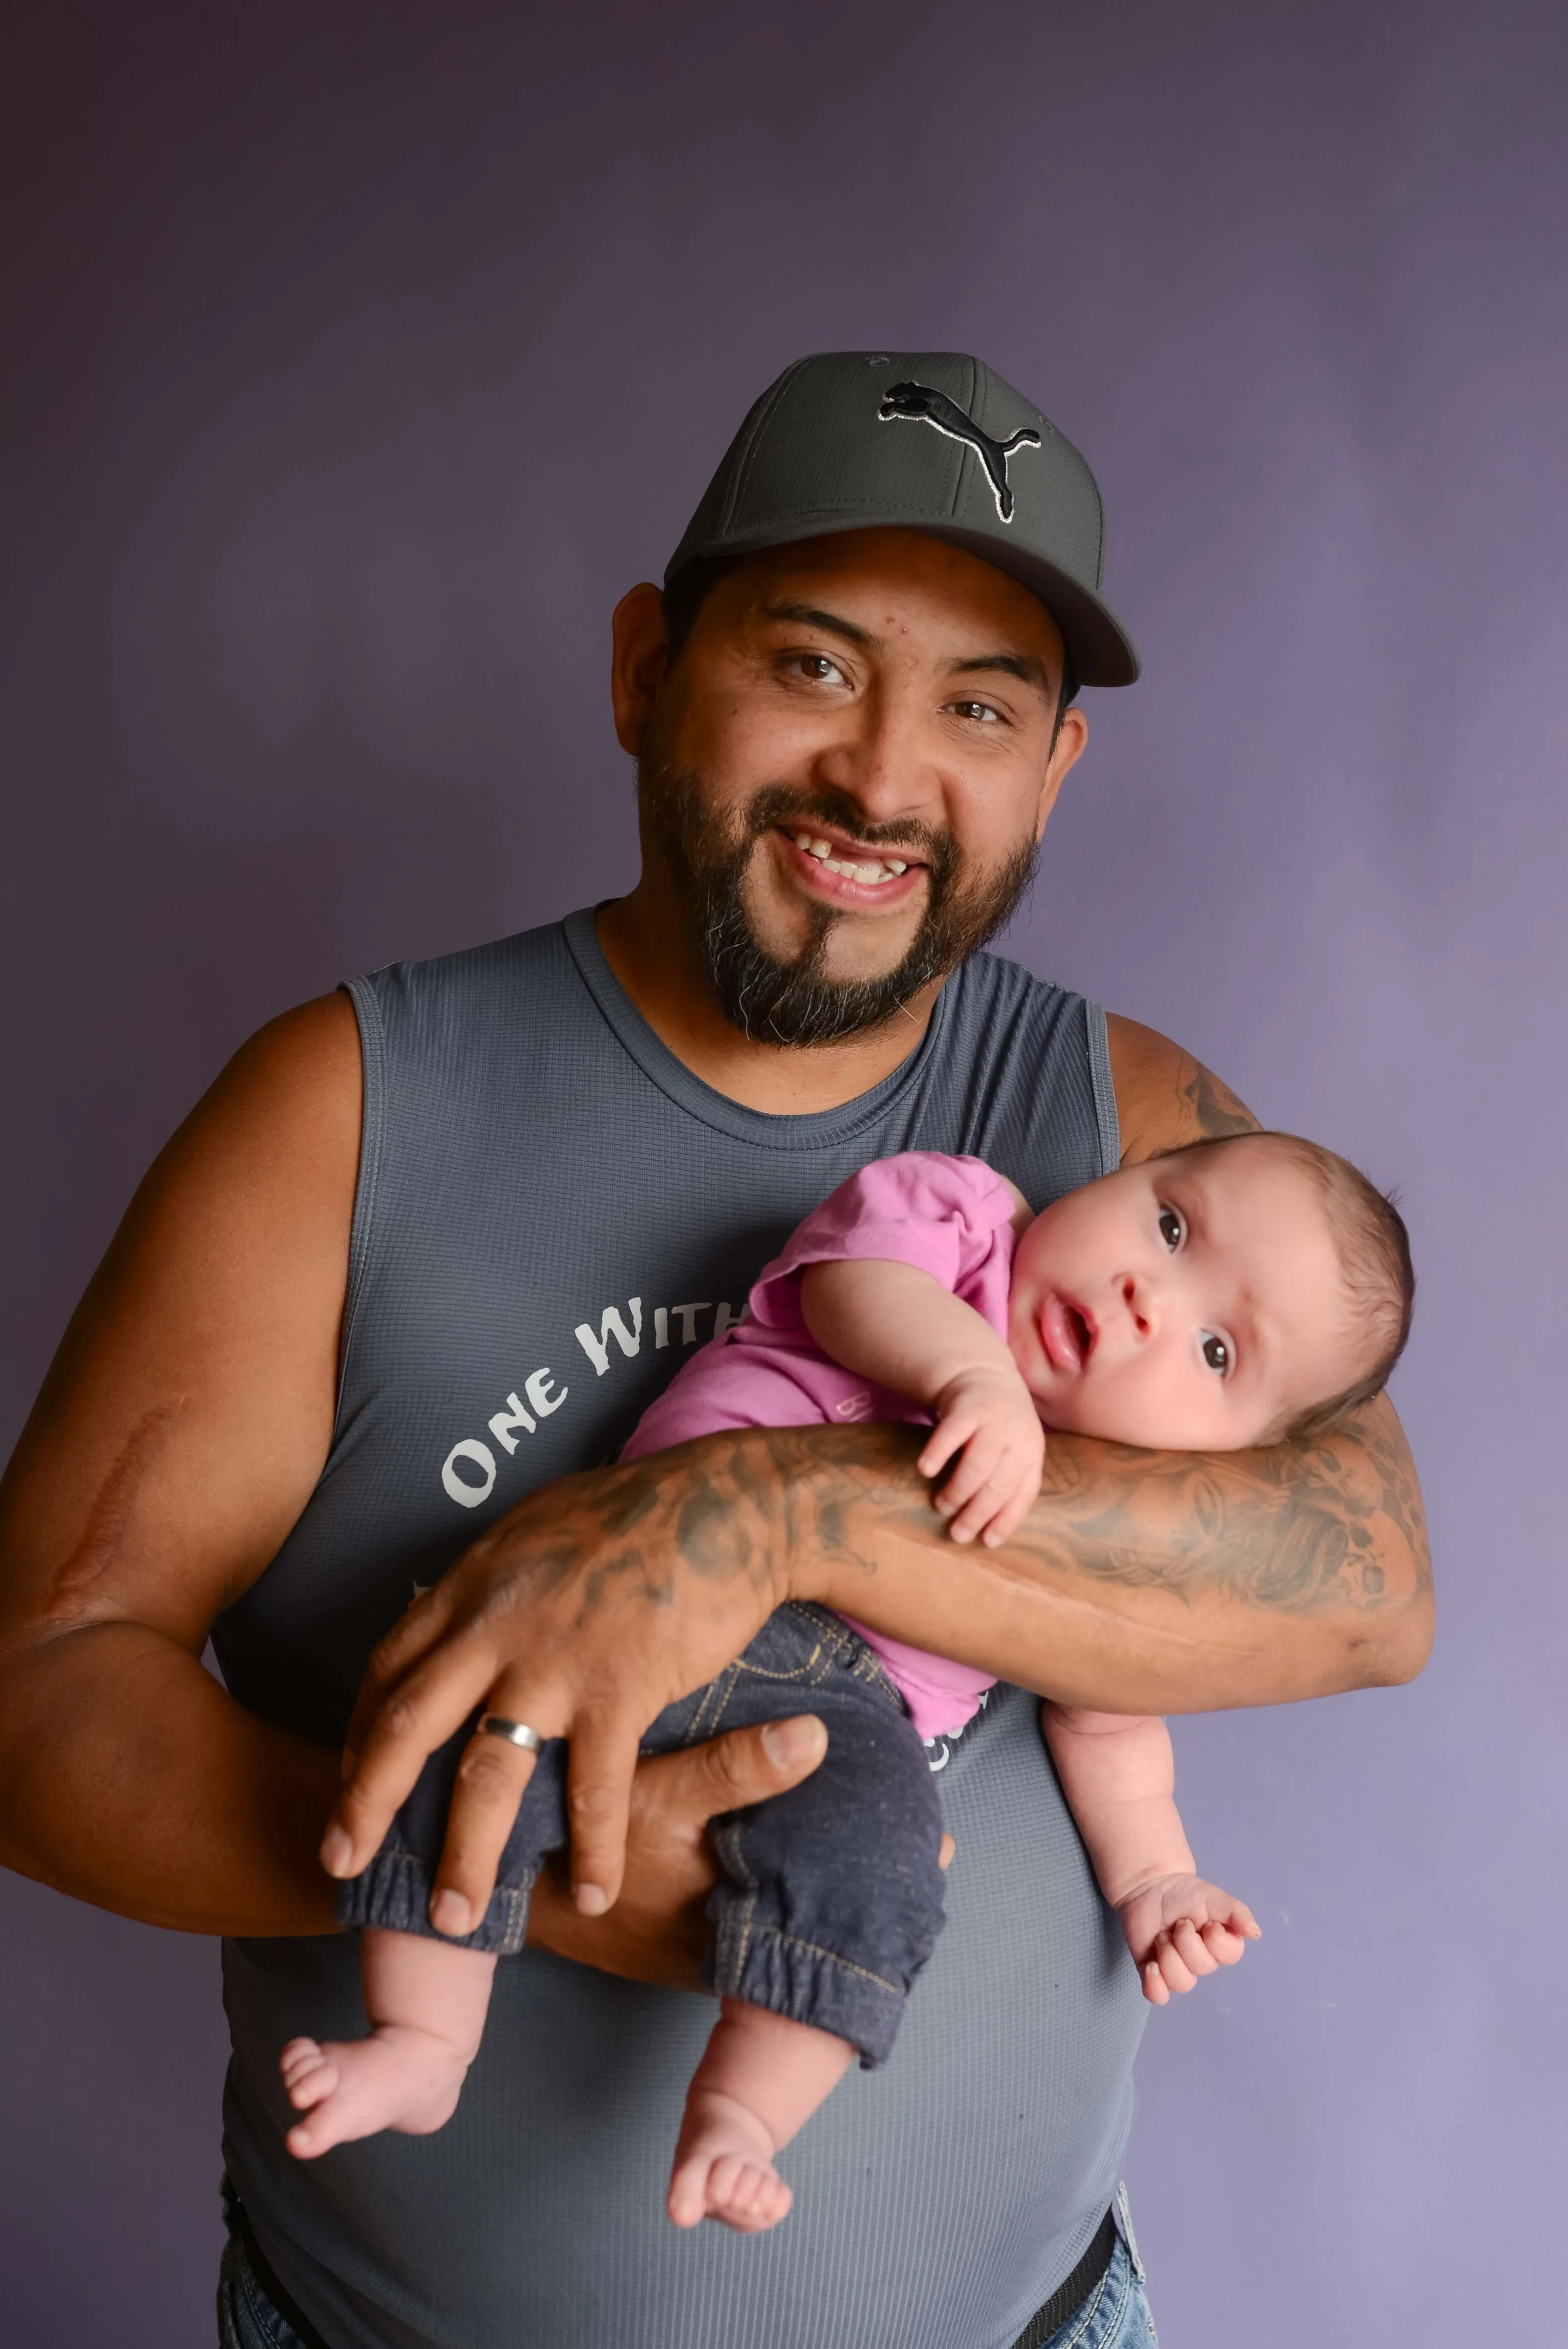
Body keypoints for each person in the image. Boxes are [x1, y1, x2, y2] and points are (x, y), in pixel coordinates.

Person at [0, 351, 1431, 2349]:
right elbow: (40, 1699)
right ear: (643, 671)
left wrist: (767, 1514)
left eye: (979, 708)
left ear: (1054, 770)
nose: (881, 778)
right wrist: (518, 1863)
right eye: (813, 665)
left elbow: (1367, 1586)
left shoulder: (1121, 1120)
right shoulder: (345, 1107)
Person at [281, 1133, 1411, 2239]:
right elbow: (849, 1287)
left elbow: (1110, 1724)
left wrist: (1159, 1881)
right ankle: (426, 2042)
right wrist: (970, 1374)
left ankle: (741, 2117)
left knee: (888, 1864)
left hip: (846, 1715)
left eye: (1217, 1353)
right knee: (471, 1728)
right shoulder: (966, 1223)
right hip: (632, 1617)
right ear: (1121, 1174)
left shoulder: (1103, 1516)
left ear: (1224, 1461)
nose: (1148, 1295)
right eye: (1169, 1223)